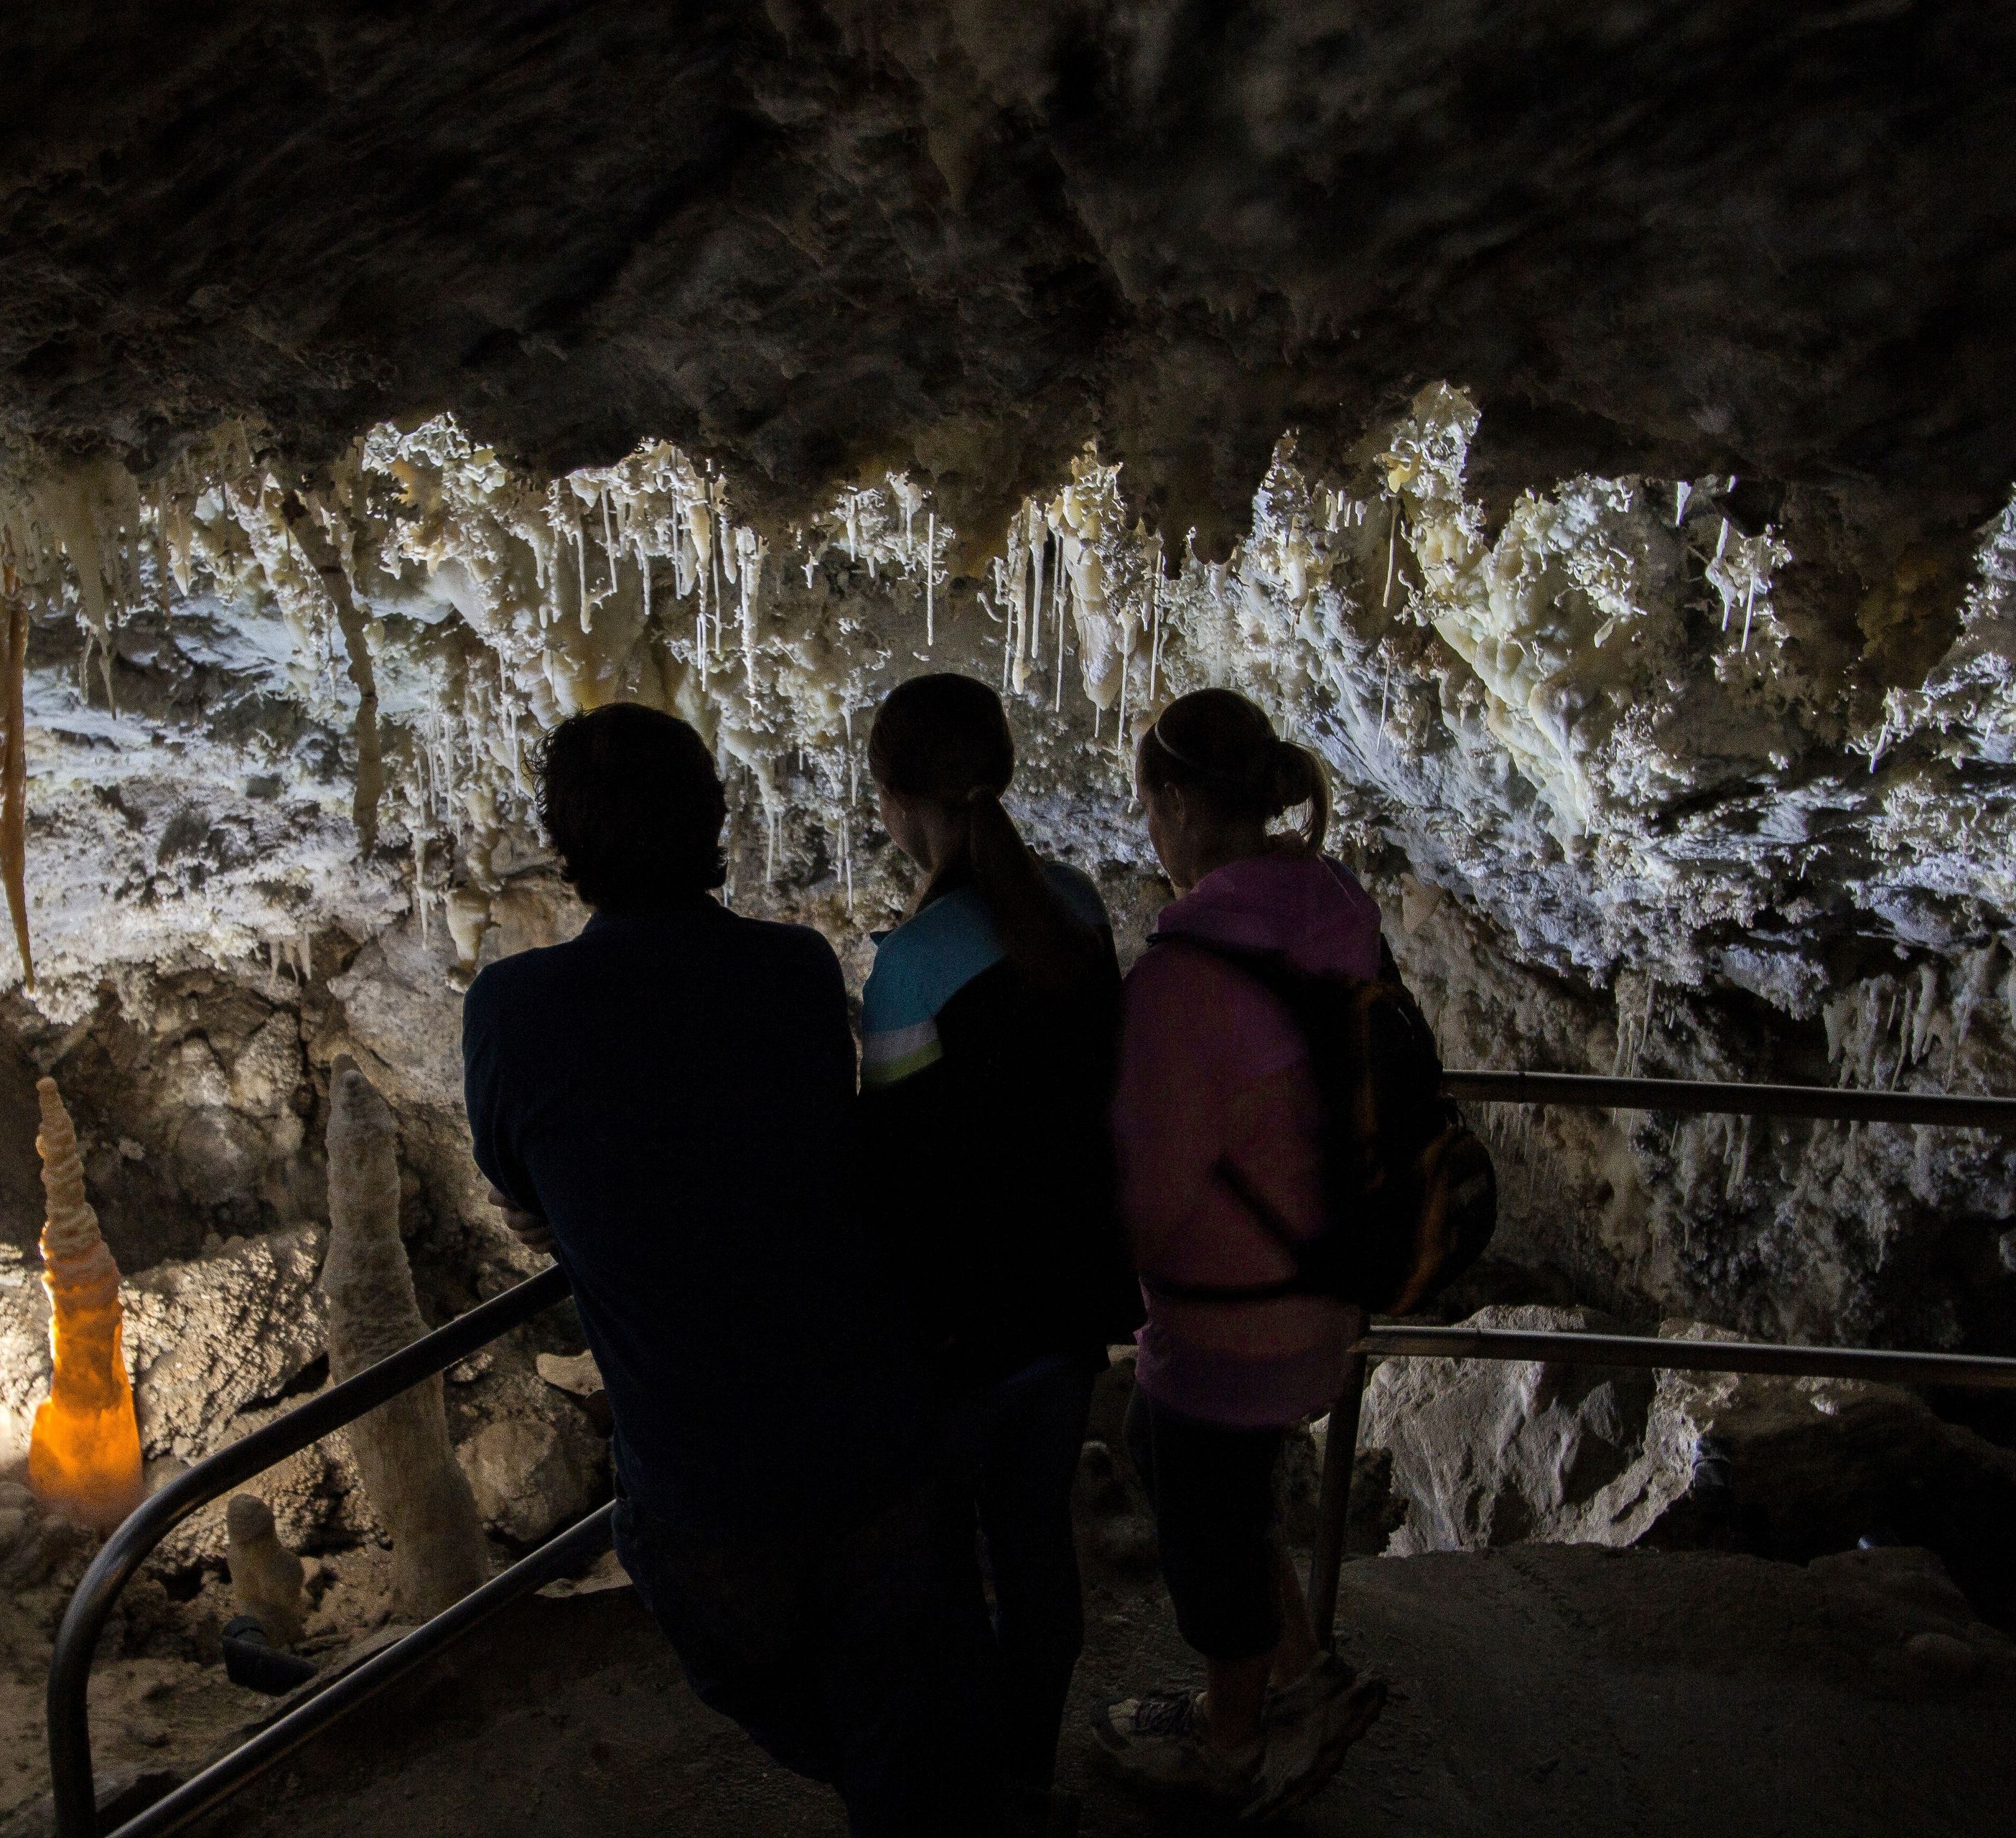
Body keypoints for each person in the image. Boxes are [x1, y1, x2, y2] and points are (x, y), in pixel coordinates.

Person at [461, 702, 1013, 1837]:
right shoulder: (793, 972)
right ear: (713, 821)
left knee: (799, 1699)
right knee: (905, 1723)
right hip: (874, 1437)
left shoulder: (513, 1011)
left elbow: (523, 1183)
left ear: (564, 848)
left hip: (703, 1491)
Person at [1088, 689, 1390, 1817]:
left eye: (1145, 809)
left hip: (1231, 1317)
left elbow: (1149, 1204)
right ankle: (1307, 1675)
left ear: (1172, 804)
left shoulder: (1185, 978)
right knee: (1202, 1479)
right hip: (1335, 1285)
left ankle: (1235, 1739)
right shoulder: (1335, 904)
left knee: (1201, 1519)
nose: (1145, 834)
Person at [854, 673, 1133, 1793]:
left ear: (895, 802)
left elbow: (896, 1164)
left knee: (939, 1559)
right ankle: (1027, 1768)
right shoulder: (1079, 907)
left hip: (961, 1328)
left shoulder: (911, 966)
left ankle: (966, 1790)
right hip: (1069, 1303)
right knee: (1032, 1539)